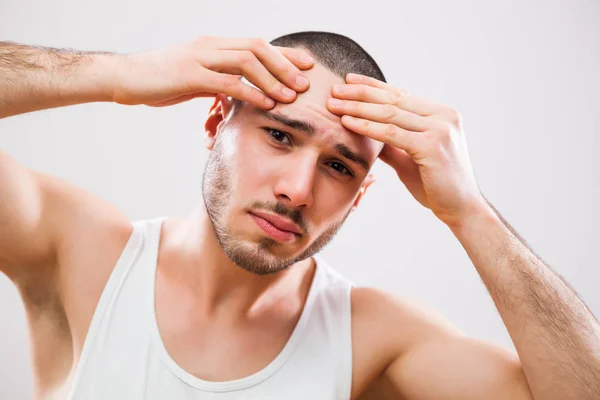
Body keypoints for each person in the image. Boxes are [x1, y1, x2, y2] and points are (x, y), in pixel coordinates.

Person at [0, 31, 598, 400]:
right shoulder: (80, 252)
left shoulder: (372, 338)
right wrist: (118, 74)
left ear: (361, 194)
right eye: (281, 136)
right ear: (216, 124)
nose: (298, 190)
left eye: (340, 168)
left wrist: (470, 212)